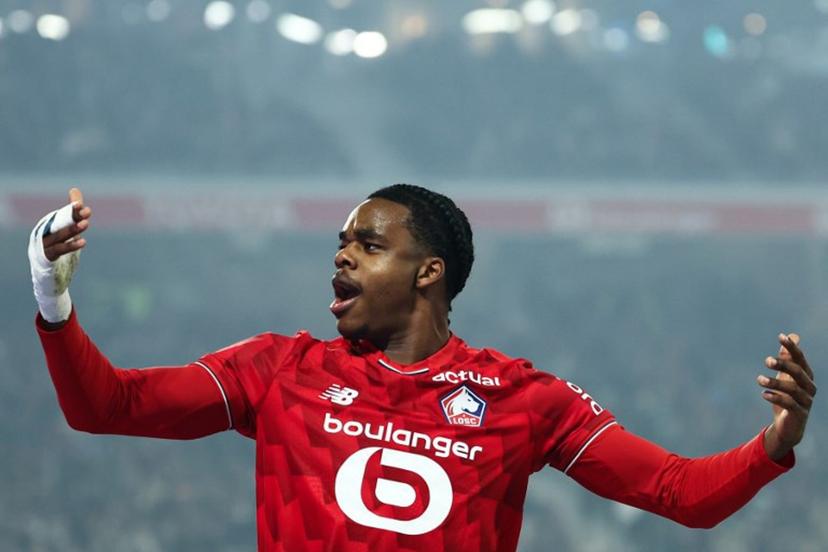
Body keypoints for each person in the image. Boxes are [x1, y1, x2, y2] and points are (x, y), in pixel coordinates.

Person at [31, 185, 816, 551]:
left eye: (368, 244)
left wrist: (774, 443)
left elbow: (681, 494)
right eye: (339, 242)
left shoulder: (524, 397)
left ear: (428, 272)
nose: (341, 254)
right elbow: (111, 407)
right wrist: (53, 299)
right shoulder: (278, 368)